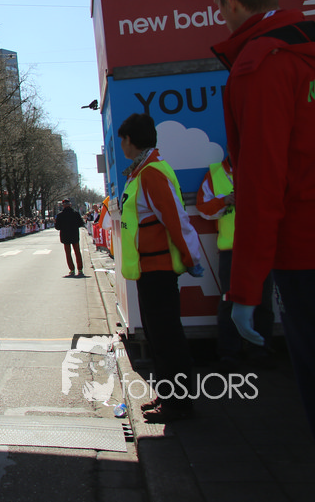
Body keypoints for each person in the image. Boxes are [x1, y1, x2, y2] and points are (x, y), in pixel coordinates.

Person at [209, 0, 315, 459]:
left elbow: (261, 186)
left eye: (218, 4)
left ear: (231, 3)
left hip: (310, 258)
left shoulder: (259, 67)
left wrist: (244, 291)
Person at [117, 113, 204, 423]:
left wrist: (192, 259)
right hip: (149, 269)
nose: (121, 146)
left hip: (159, 269)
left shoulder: (150, 173)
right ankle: (168, 395)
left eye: (122, 140)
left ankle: (178, 404)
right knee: (158, 337)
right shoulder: (143, 170)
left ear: (130, 140)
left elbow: (175, 220)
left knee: (167, 338)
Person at [195, 156, 273, 369]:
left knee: (263, 302)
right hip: (232, 251)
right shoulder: (215, 174)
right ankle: (229, 354)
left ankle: (261, 351)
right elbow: (203, 208)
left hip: (260, 249)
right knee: (229, 302)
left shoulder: (262, 169)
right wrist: (225, 201)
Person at [54, 199, 86, 276]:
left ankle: (72, 270)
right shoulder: (76, 213)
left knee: (68, 253)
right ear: (70, 205)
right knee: (77, 252)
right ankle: (80, 269)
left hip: (65, 236)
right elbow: (81, 223)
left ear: (63, 206)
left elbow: (57, 227)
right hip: (74, 234)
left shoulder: (60, 215)